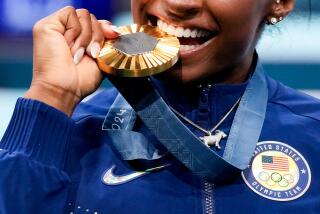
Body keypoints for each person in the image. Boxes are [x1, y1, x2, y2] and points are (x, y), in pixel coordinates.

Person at [0, 0, 319, 213]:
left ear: (280, 2)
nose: (180, 3)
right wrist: (51, 95)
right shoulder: (66, 136)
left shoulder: (314, 134)